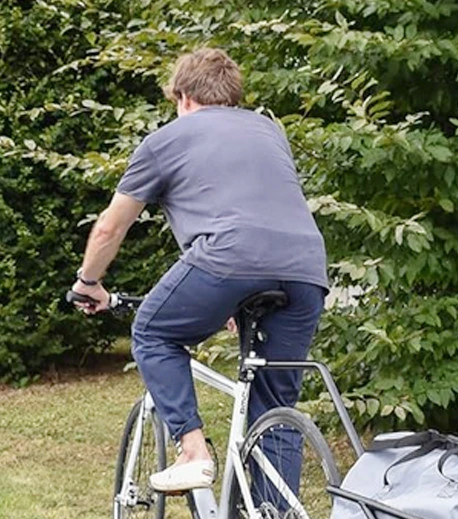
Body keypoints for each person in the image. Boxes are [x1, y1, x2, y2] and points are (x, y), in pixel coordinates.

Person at [71, 48, 328, 493]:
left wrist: (88, 281)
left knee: (153, 332)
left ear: (183, 96)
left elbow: (111, 227)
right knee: (274, 404)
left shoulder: (166, 140)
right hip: (306, 266)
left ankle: (193, 452)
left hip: (228, 258)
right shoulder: (268, 131)